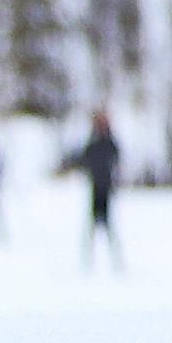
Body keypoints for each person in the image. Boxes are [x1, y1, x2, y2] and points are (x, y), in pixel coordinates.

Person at [62, 108, 125, 272]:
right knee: (93, 223)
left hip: (105, 186)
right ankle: (88, 260)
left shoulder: (108, 142)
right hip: (96, 186)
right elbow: (84, 159)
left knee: (107, 223)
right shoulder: (93, 142)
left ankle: (113, 260)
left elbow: (115, 157)